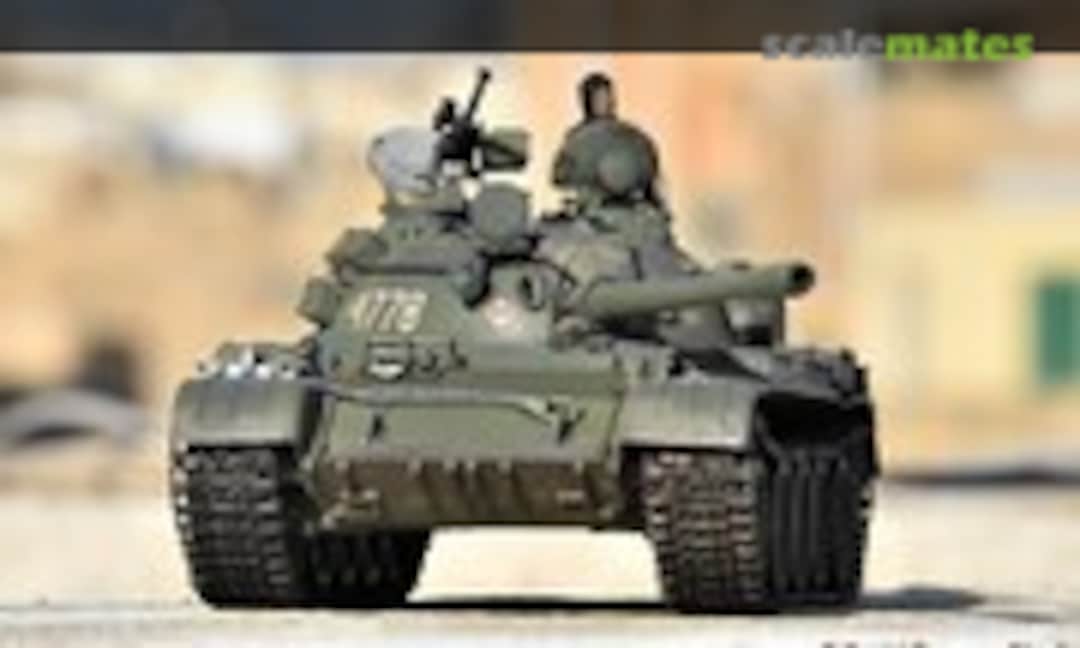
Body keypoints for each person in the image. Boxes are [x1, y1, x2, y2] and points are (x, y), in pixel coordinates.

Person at [551, 72, 662, 206]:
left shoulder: (630, 137)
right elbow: (559, 177)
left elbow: (649, 174)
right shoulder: (575, 139)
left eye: (606, 97)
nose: (604, 102)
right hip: (591, 208)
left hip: (630, 207)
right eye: (597, 98)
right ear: (586, 101)